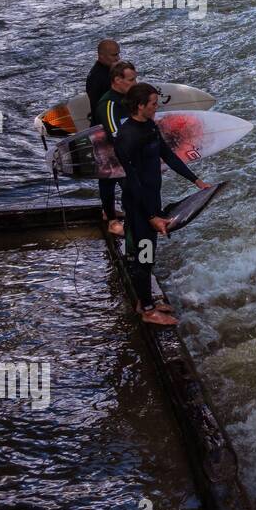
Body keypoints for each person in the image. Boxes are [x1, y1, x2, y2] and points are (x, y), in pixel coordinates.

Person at [112, 83, 210, 327]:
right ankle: (146, 309)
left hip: (152, 200)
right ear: (140, 106)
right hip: (138, 206)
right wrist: (150, 216)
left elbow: (167, 155)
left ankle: (145, 301)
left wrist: (196, 181)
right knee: (143, 257)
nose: (157, 107)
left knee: (148, 256)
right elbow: (130, 182)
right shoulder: (127, 137)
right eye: (153, 103)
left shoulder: (149, 126)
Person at [94, 60, 137, 237]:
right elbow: (114, 133)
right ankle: (112, 221)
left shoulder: (126, 97)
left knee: (121, 183)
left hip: (124, 149)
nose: (135, 83)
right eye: (131, 80)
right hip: (108, 150)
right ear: (117, 80)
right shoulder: (108, 104)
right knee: (109, 182)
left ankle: (110, 212)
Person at [86, 39, 121, 235]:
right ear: (101, 56)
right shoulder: (97, 77)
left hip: (110, 128)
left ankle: (109, 211)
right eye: (114, 55)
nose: (118, 58)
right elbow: (100, 109)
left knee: (117, 175)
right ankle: (111, 220)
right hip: (102, 132)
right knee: (108, 177)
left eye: (118, 54)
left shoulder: (108, 72)